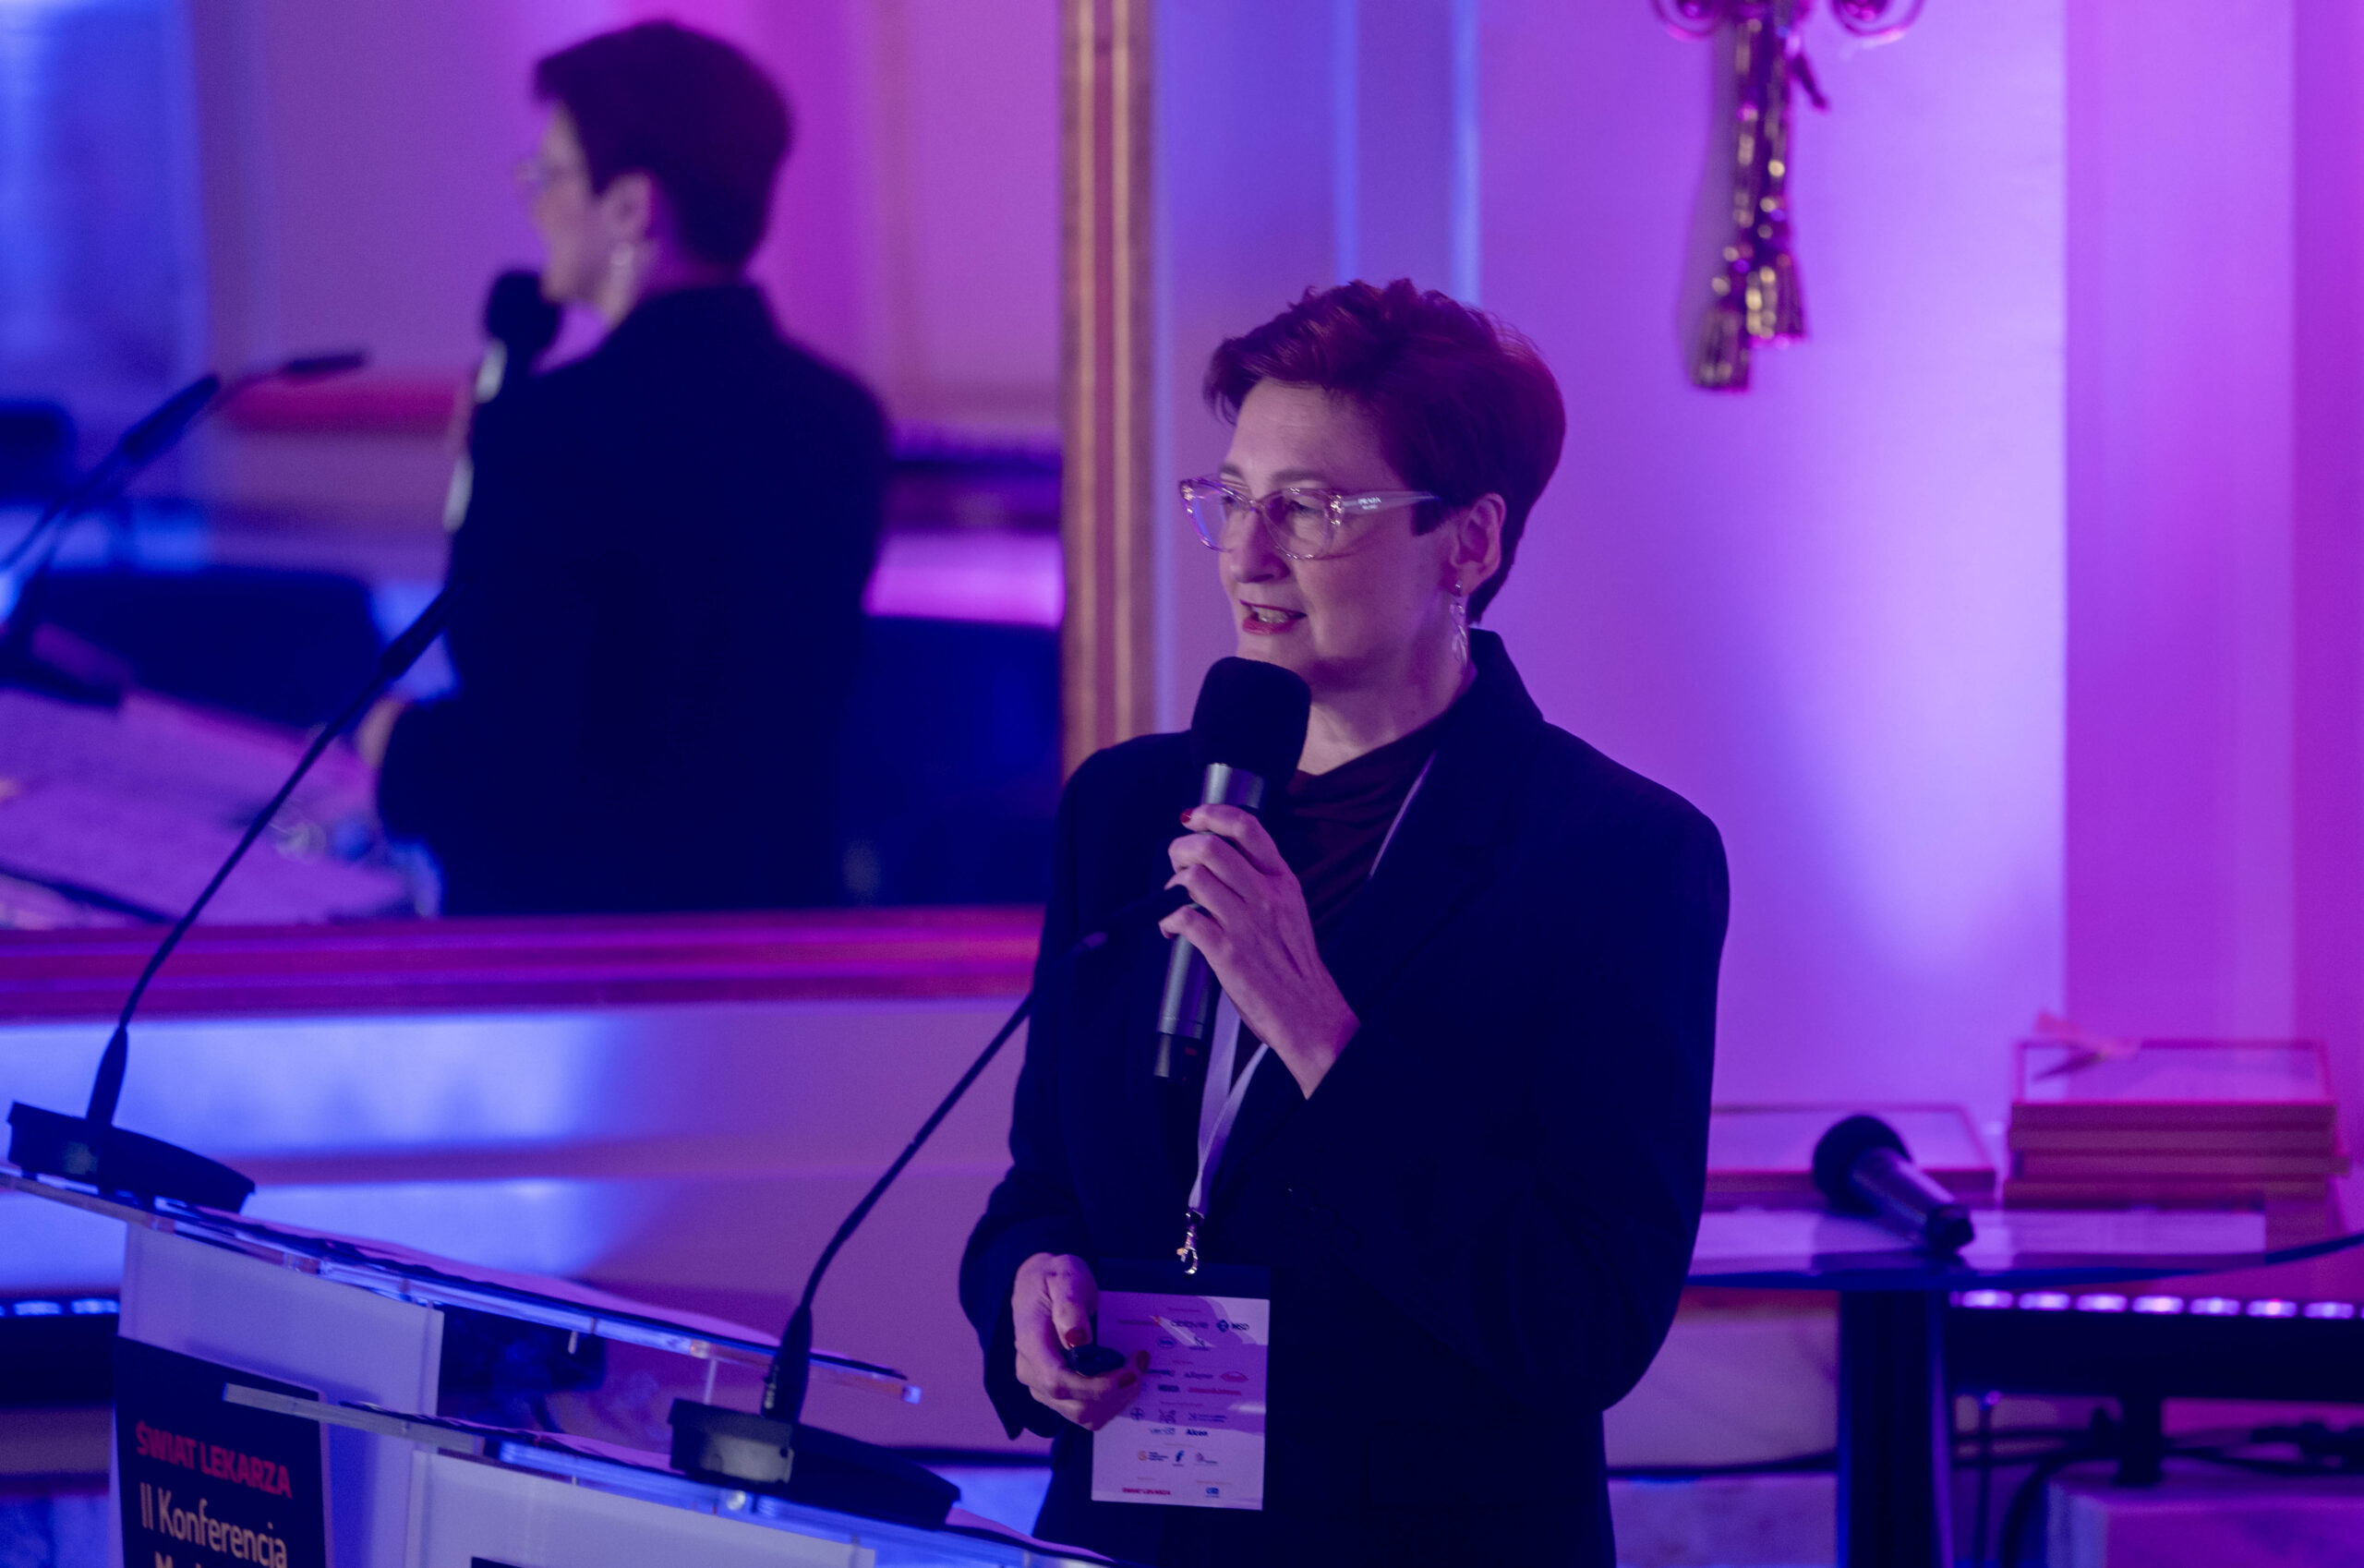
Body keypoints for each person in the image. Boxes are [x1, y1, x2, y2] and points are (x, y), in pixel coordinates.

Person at [960, 280, 1729, 1566]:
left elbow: (1584, 1323)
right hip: (1128, 1531)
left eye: (1309, 508)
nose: (1246, 555)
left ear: (1467, 544)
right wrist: (1027, 1287)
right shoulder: (1126, 805)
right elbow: (1041, 1184)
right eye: (1232, 498)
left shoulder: (1618, 857)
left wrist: (1319, 1029)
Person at [366, 21, 888, 914]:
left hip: (589, 957)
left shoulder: (545, 432)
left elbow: (520, 779)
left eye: (553, 176)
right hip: (784, 939)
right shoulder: (843, 419)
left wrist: (398, 749)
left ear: (633, 207)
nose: (535, 206)